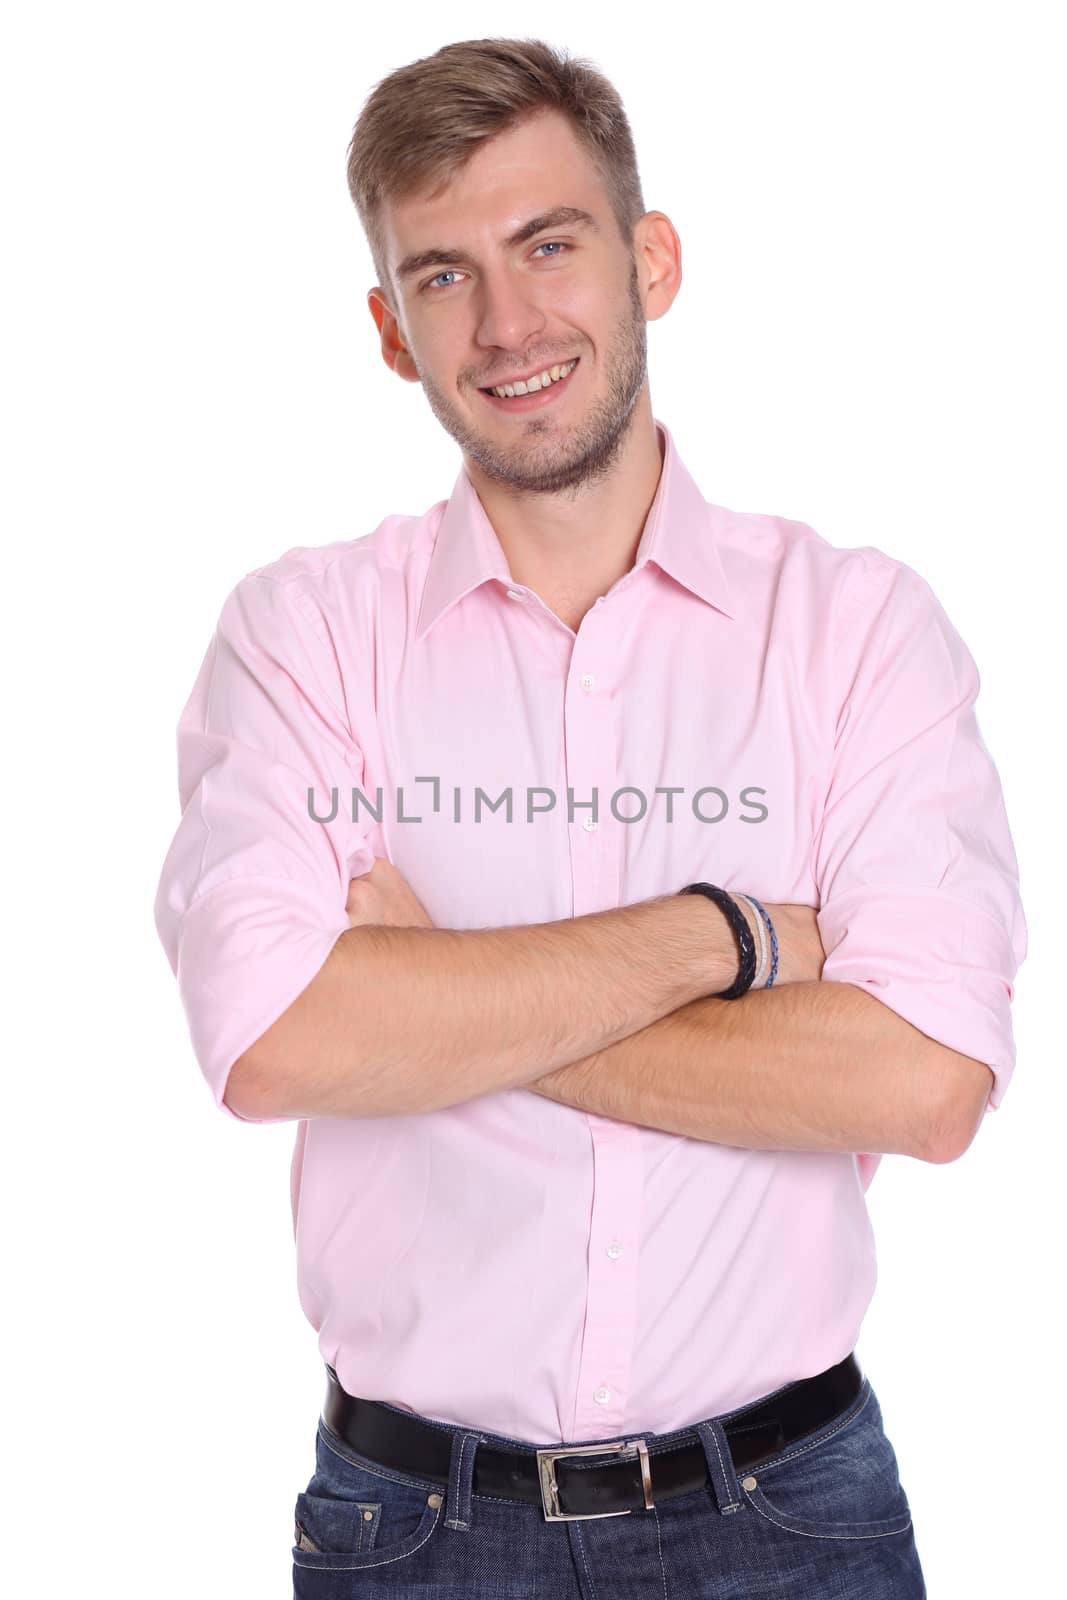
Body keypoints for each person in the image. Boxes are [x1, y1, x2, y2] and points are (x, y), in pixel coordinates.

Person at [152, 35, 1026, 1599]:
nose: (505, 324)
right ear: (387, 330)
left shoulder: (855, 631)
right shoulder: (304, 635)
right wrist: (728, 940)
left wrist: (448, 997)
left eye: (548, 245)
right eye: (441, 274)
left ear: (651, 260)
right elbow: (273, 1036)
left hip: (793, 1514)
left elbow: (924, 1081)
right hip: (415, 1528)